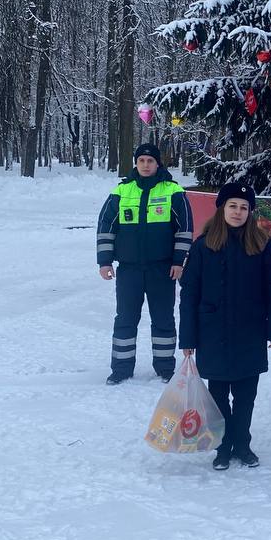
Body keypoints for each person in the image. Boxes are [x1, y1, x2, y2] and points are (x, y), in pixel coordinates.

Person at [178, 183, 271, 470]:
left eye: (244, 207)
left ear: (250, 212)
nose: (238, 212)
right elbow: (189, 293)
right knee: (219, 395)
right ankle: (223, 447)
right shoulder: (203, 245)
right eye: (233, 206)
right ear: (222, 208)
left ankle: (243, 445)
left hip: (249, 332)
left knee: (246, 396)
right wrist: (187, 337)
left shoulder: (262, 244)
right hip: (213, 333)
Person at [97, 142, 193, 384]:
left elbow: (185, 229)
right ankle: (121, 368)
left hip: (162, 269)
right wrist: (105, 262)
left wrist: (178, 261)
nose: (146, 165)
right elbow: (105, 228)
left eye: (151, 161)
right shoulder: (122, 191)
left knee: (163, 319)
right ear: (136, 163)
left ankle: (165, 367)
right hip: (129, 269)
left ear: (158, 163)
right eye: (142, 161)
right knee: (125, 319)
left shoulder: (173, 191)